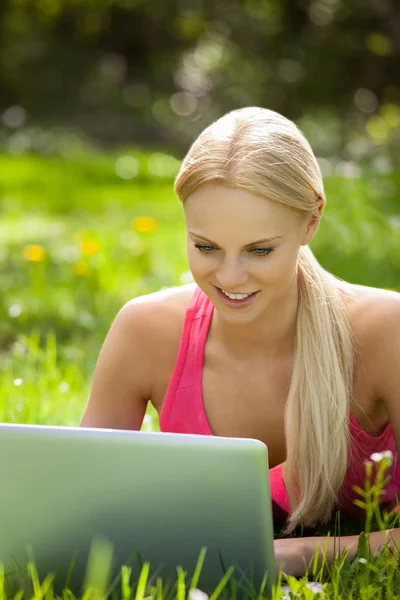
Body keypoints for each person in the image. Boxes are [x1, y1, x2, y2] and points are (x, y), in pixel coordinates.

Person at [80, 107, 400, 578]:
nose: (229, 278)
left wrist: (293, 555)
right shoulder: (145, 331)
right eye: (206, 247)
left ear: (311, 220)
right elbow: (79, 503)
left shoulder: (384, 330)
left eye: (260, 250)